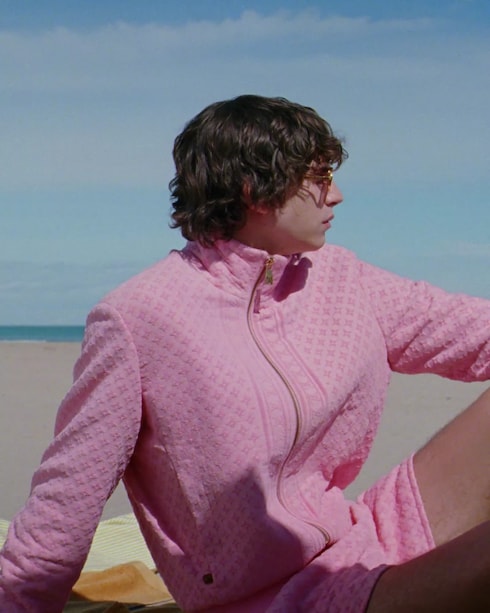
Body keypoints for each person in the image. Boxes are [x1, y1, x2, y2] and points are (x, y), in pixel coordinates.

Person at [0, 94, 489, 613]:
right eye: (320, 177)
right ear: (256, 191)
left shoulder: (343, 280)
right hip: (281, 600)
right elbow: (67, 501)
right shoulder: (141, 319)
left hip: (361, 538)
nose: (336, 194)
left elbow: (473, 332)